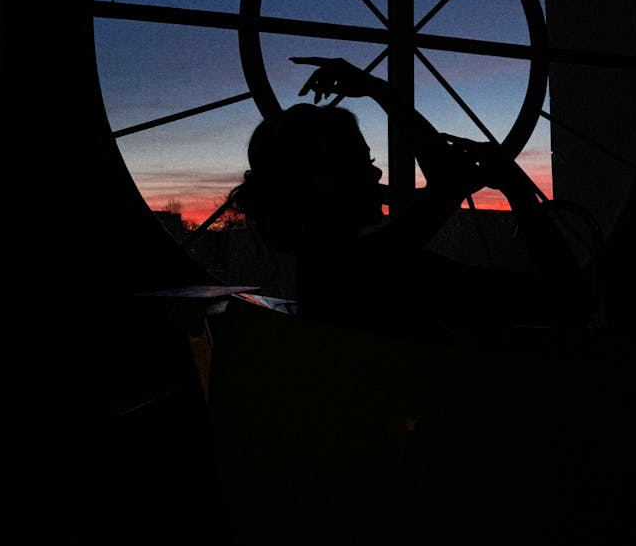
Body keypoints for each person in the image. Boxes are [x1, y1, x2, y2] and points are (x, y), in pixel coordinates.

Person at [227, 56, 591, 341]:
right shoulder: (384, 270)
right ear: (307, 191)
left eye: (367, 160)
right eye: (352, 164)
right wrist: (519, 193)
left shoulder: (330, 275)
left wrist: (381, 90)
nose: (375, 173)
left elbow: (444, 183)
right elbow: (566, 303)